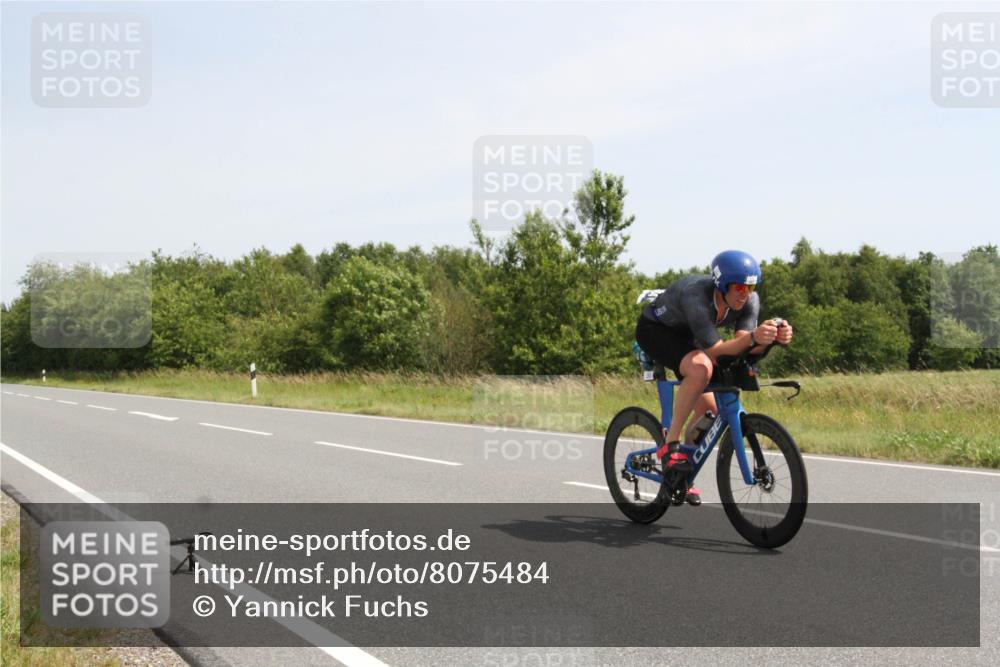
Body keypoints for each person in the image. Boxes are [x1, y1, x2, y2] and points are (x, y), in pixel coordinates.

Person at [635, 250, 793, 506]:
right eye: (740, 287)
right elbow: (716, 352)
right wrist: (754, 338)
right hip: (657, 331)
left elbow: (742, 346)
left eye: (751, 287)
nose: (746, 293)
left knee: (709, 412)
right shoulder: (696, 297)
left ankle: (683, 476)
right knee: (701, 369)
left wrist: (771, 340)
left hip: (693, 336)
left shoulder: (749, 301)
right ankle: (670, 444)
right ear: (722, 285)